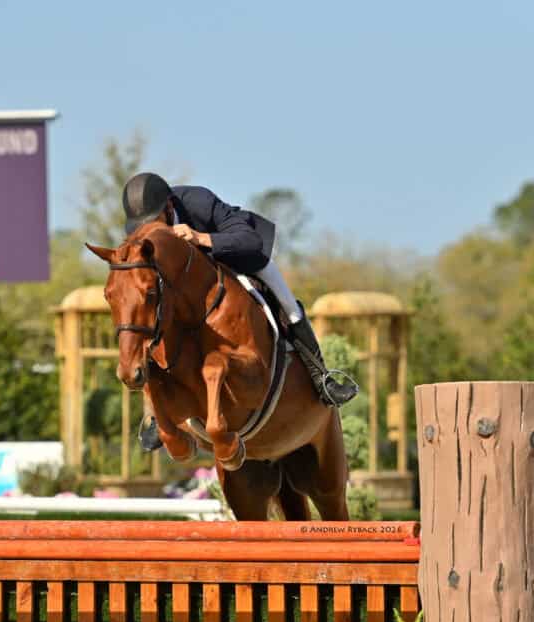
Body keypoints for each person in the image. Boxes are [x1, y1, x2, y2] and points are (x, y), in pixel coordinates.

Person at [121, 172, 357, 449]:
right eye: (141, 225)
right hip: (187, 282)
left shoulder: (199, 202)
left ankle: (321, 378)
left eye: (154, 221)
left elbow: (249, 240)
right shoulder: (139, 230)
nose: (148, 230)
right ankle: (153, 413)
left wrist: (201, 237)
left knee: (289, 307)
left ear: (170, 208)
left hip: (237, 256)